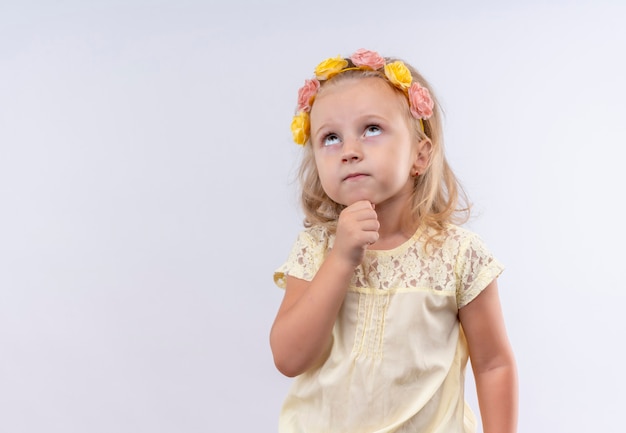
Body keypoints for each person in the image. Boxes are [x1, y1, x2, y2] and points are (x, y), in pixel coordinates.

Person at [269, 48, 518, 433]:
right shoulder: (316, 250)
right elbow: (289, 358)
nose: (350, 151)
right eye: (331, 137)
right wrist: (340, 259)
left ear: (420, 155)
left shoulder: (458, 255)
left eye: (371, 129)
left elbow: (493, 364)